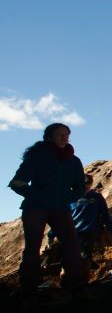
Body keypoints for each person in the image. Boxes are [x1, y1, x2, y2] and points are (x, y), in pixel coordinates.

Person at [7, 123, 87, 295]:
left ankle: (76, 285)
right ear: (49, 137)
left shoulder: (73, 161)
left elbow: (80, 187)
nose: (64, 138)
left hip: (60, 208)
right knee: (32, 247)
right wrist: (37, 196)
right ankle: (28, 289)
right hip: (35, 207)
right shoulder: (37, 156)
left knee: (72, 243)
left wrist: (68, 198)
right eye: (60, 134)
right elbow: (17, 183)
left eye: (67, 134)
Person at [48, 173, 112, 269]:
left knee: (86, 257)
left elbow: (105, 214)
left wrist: (111, 228)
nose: (84, 186)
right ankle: (67, 278)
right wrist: (51, 234)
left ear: (90, 184)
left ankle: (84, 277)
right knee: (68, 258)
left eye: (87, 183)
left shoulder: (96, 197)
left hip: (89, 232)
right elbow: (60, 217)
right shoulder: (69, 197)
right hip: (71, 232)